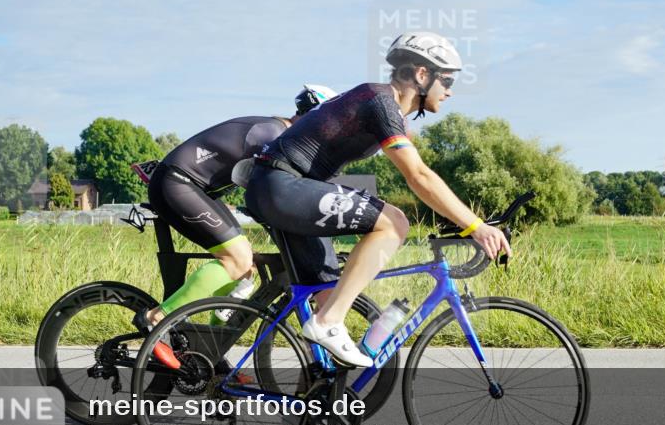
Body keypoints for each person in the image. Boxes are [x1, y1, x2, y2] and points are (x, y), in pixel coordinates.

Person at [245, 32, 511, 367]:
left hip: (277, 188)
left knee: (329, 294)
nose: (450, 90)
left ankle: (321, 389)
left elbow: (424, 179)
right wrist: (476, 226)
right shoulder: (380, 101)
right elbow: (418, 176)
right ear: (422, 74)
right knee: (394, 223)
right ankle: (327, 323)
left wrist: (459, 220)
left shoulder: (383, 106)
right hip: (282, 185)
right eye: (447, 80)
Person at [134, 85, 338, 367]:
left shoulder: (283, 136)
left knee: (245, 271)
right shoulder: (273, 135)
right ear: (312, 116)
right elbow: (271, 200)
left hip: (196, 189)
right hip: (177, 183)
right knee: (237, 259)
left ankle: (211, 351)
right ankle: (156, 319)